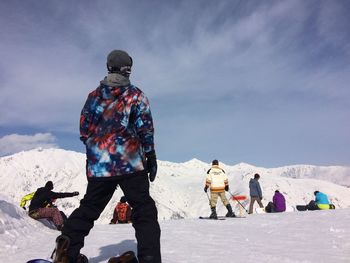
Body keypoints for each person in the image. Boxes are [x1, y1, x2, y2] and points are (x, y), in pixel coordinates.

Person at [53, 50, 161, 263]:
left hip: (99, 166)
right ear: (127, 69)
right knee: (144, 210)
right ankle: (149, 258)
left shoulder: (93, 97)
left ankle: (66, 250)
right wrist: (150, 154)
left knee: (89, 208)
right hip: (130, 165)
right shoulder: (135, 95)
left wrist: (98, 151)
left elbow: (84, 130)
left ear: (108, 67)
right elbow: (145, 129)